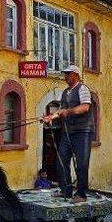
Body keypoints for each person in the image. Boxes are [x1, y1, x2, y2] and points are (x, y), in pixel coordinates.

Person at [42, 65, 92, 203]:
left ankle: (81, 194)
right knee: (60, 161)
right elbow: (60, 111)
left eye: (68, 74)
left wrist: (68, 112)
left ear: (76, 75)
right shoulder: (65, 93)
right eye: (65, 74)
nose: (66, 77)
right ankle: (66, 190)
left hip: (83, 132)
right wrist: (50, 118)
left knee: (81, 164)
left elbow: (85, 107)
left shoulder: (83, 89)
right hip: (68, 132)